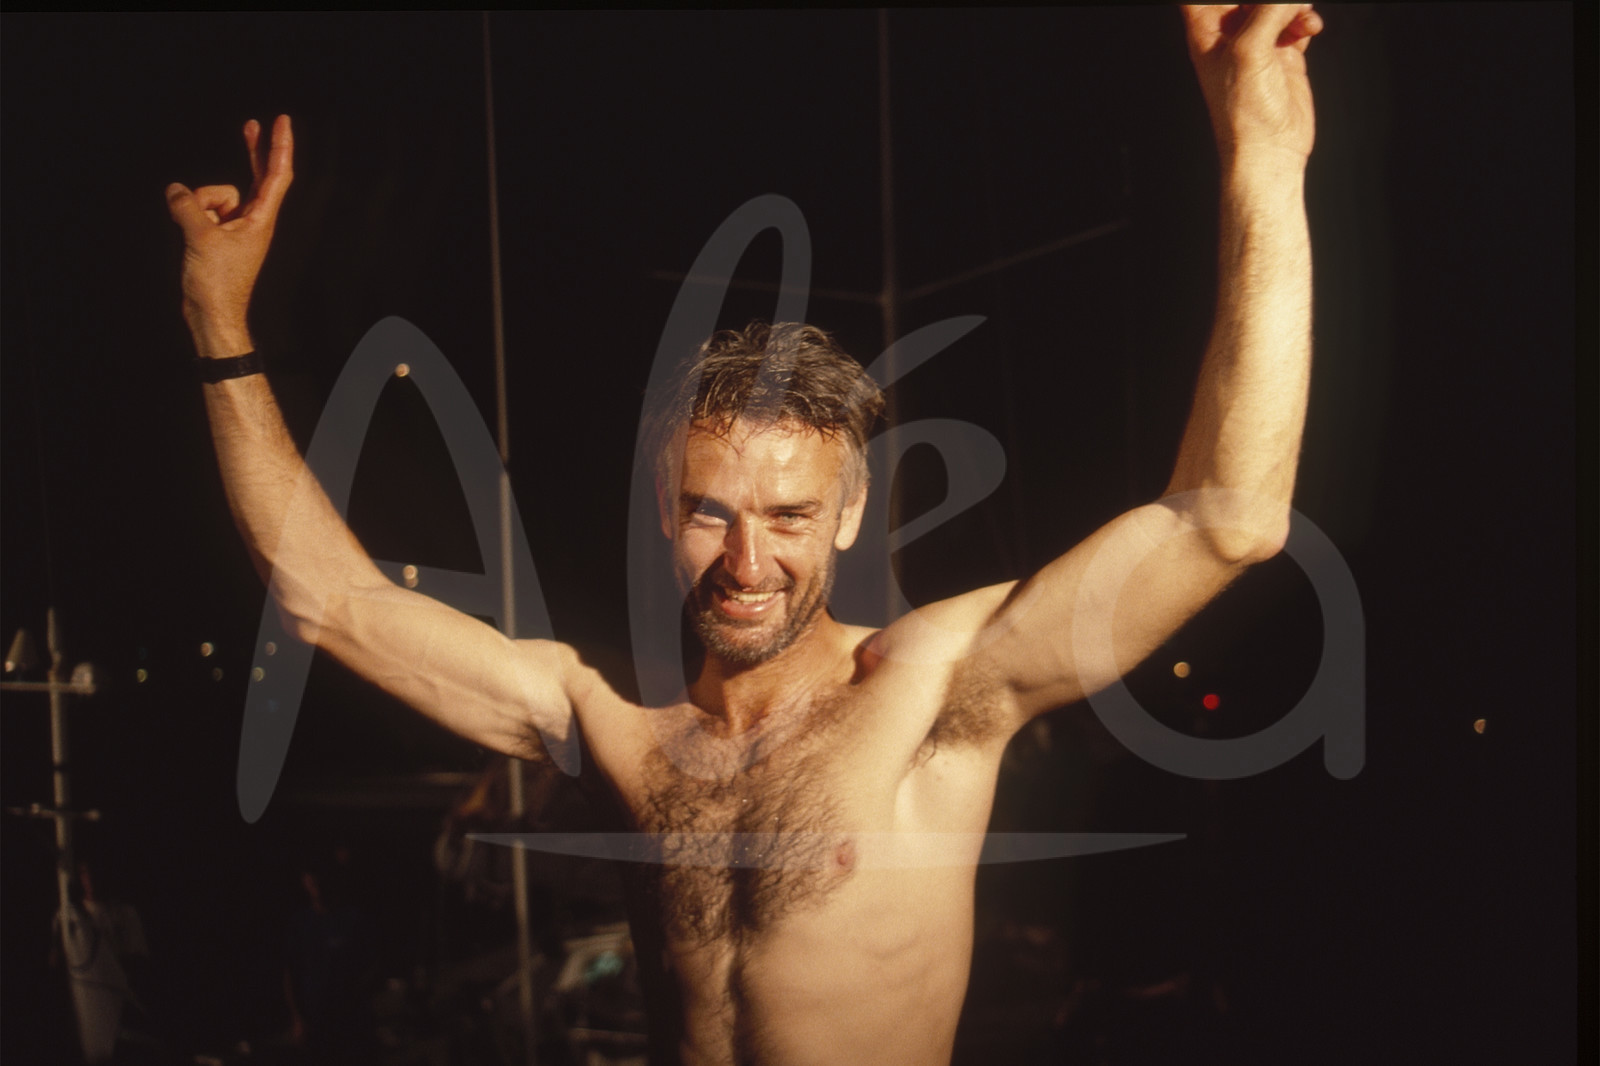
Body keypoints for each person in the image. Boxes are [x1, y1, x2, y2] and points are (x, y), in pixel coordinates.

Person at [165, 6, 1324, 1063]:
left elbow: (1226, 521)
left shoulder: (930, 688)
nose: (747, 563)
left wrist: (1262, 152)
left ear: (849, 513)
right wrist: (218, 317)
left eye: (789, 516)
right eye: (709, 513)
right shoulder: (610, 723)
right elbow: (326, 598)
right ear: (661, 507)